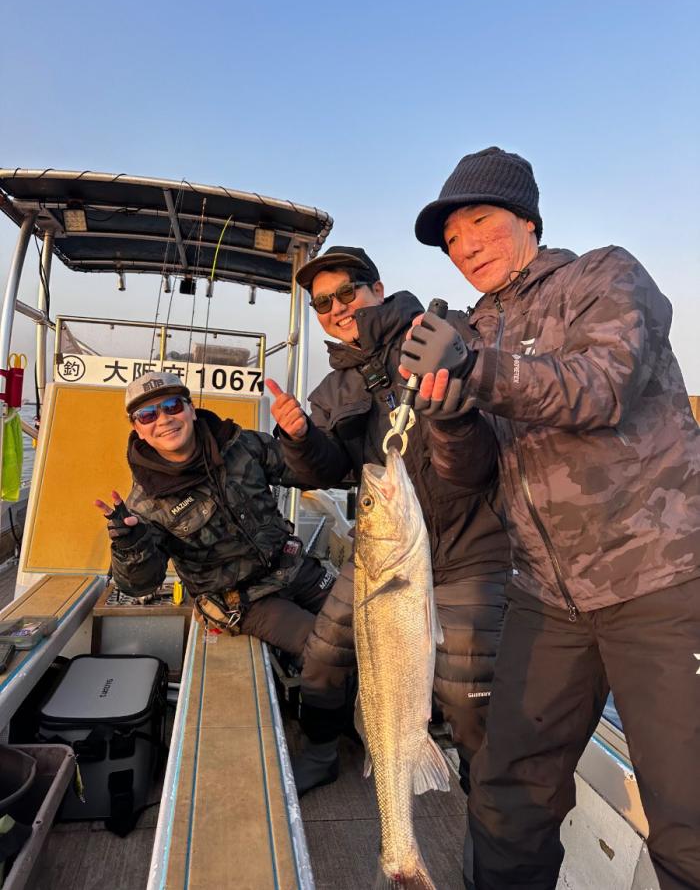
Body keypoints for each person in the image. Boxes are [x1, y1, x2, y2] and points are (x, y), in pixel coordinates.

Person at [398, 146, 700, 890]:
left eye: (480, 222)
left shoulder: (603, 276)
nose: (465, 246)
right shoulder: (473, 329)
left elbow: (601, 386)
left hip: (658, 582)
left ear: (527, 220)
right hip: (544, 596)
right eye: (451, 238)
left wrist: (472, 368)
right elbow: (469, 477)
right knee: (506, 795)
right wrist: (448, 416)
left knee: (689, 811)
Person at [266, 245, 511, 888]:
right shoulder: (332, 388)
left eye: (346, 293)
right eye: (322, 303)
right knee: (323, 653)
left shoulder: (438, 332)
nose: (335, 310)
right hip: (387, 550)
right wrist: (299, 439)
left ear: (376, 288)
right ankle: (322, 752)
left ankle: (487, 819)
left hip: (468, 545)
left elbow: (486, 432)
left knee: (468, 695)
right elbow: (330, 469)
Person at [95, 371, 355, 796]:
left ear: (190, 408)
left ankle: (349, 716)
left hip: (294, 566)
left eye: (172, 406)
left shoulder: (240, 444)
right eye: (147, 415)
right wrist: (129, 545)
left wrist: (300, 437)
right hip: (245, 599)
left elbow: (309, 474)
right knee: (324, 649)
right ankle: (322, 754)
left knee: (369, 621)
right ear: (137, 428)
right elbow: (140, 584)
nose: (163, 419)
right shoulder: (144, 503)